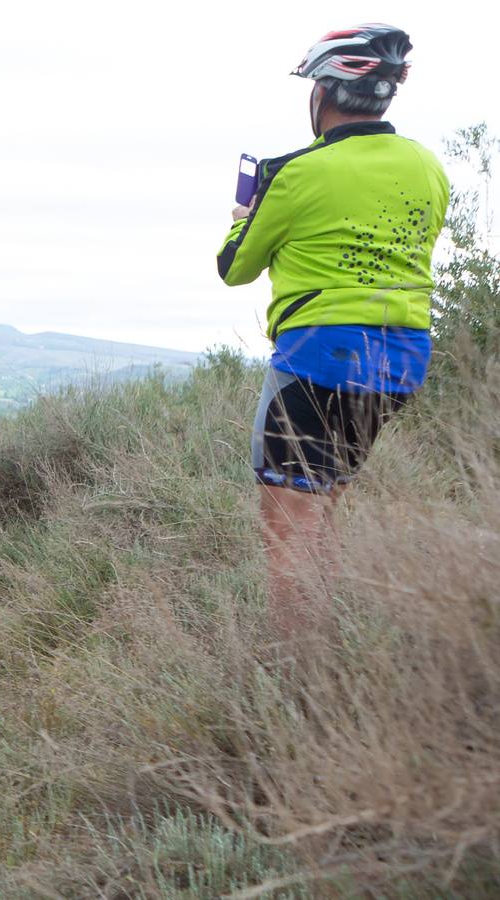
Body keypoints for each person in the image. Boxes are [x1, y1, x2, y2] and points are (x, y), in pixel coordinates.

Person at [216, 23, 447, 641]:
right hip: (399, 362)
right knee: (326, 505)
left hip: (318, 354)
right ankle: (333, 651)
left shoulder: (295, 173)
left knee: (290, 522)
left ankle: (301, 680)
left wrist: (245, 217)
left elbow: (234, 269)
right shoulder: (428, 167)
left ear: (324, 92)